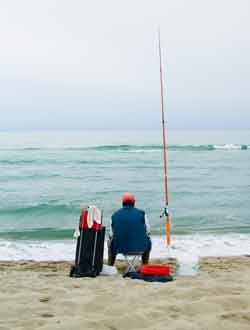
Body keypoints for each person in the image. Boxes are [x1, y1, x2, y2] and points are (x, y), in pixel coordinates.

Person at [108, 193, 151, 266]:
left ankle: (111, 265)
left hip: (120, 248)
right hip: (140, 248)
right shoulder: (142, 214)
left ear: (123, 203)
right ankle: (144, 265)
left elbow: (111, 234)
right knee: (148, 241)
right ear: (134, 202)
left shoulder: (114, 215)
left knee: (110, 242)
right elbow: (148, 231)